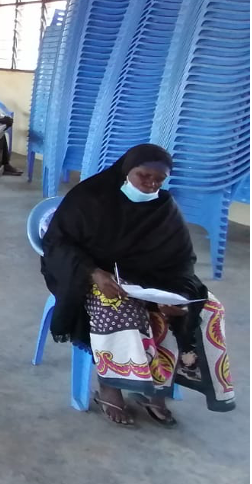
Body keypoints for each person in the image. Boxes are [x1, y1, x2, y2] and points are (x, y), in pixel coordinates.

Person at [41, 144, 235, 427]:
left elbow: (183, 258)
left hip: (152, 278)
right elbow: (57, 243)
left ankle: (157, 388)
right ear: (126, 171)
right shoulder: (90, 198)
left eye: (159, 180)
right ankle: (111, 385)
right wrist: (93, 273)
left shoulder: (164, 207)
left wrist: (178, 295)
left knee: (207, 309)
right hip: (93, 273)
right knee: (120, 309)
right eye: (144, 176)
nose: (151, 184)